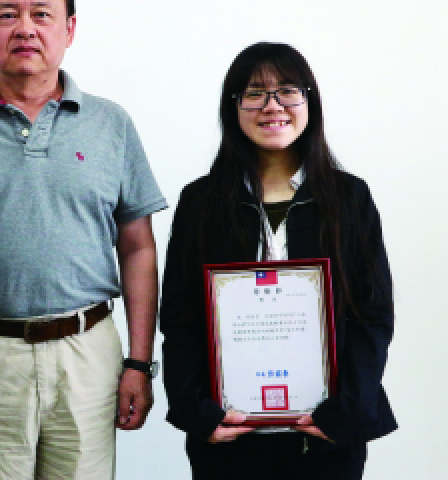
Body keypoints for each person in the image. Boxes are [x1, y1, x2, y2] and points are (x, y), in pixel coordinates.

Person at [0, 1, 167, 478]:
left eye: (41, 14)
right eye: (7, 15)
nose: (25, 29)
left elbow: (138, 247)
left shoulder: (111, 124)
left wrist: (139, 364)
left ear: (69, 29)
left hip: (88, 358)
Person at [159, 42, 396, 479]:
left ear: (310, 101)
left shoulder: (348, 198)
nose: (272, 106)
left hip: (327, 433)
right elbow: (179, 318)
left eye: (287, 91)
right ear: (233, 107)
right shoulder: (201, 202)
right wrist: (198, 412)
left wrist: (346, 411)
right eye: (254, 93)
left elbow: (373, 315)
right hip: (229, 436)